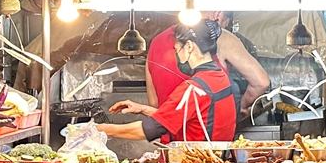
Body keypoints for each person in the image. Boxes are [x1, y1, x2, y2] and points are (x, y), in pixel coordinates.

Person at [97, 21, 238, 142]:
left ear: (188, 46)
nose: (176, 55)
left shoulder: (194, 89)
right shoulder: (221, 78)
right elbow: (173, 119)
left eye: (177, 49)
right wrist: (143, 109)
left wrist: (99, 129)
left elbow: (149, 129)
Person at [146, 11, 270, 115]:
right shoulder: (222, 38)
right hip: (211, 140)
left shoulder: (155, 42)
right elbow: (261, 82)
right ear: (218, 13)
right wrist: (240, 107)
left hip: (170, 141)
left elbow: (154, 104)